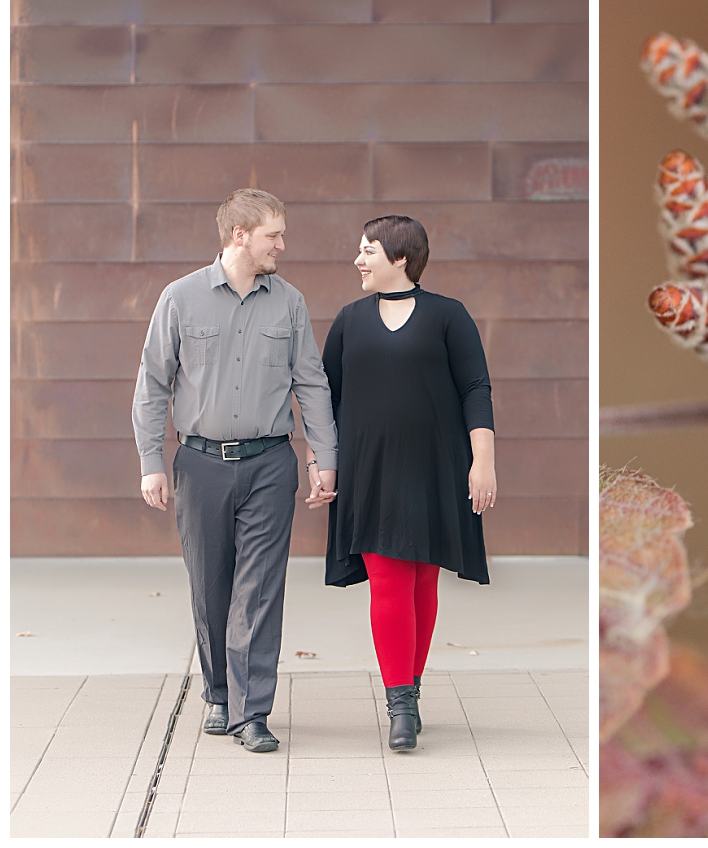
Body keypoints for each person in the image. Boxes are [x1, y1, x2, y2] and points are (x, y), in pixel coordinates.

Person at [133, 189, 338, 753]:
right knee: (210, 586)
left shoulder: (289, 302)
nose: (282, 244)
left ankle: (253, 712)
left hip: (271, 462)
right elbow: (153, 384)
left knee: (261, 589)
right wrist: (152, 463)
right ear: (240, 235)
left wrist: (325, 456)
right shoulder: (180, 298)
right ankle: (219, 694)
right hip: (199, 465)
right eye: (274, 234)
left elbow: (311, 383)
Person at [308, 215, 496, 752]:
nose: (358, 260)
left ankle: (410, 685)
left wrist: (482, 461)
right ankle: (400, 703)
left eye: (368, 251)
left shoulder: (448, 316)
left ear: (400, 258)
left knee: (423, 582)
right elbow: (325, 400)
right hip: (369, 470)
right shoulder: (349, 320)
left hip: (436, 465)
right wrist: (320, 463)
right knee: (388, 577)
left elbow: (475, 388)